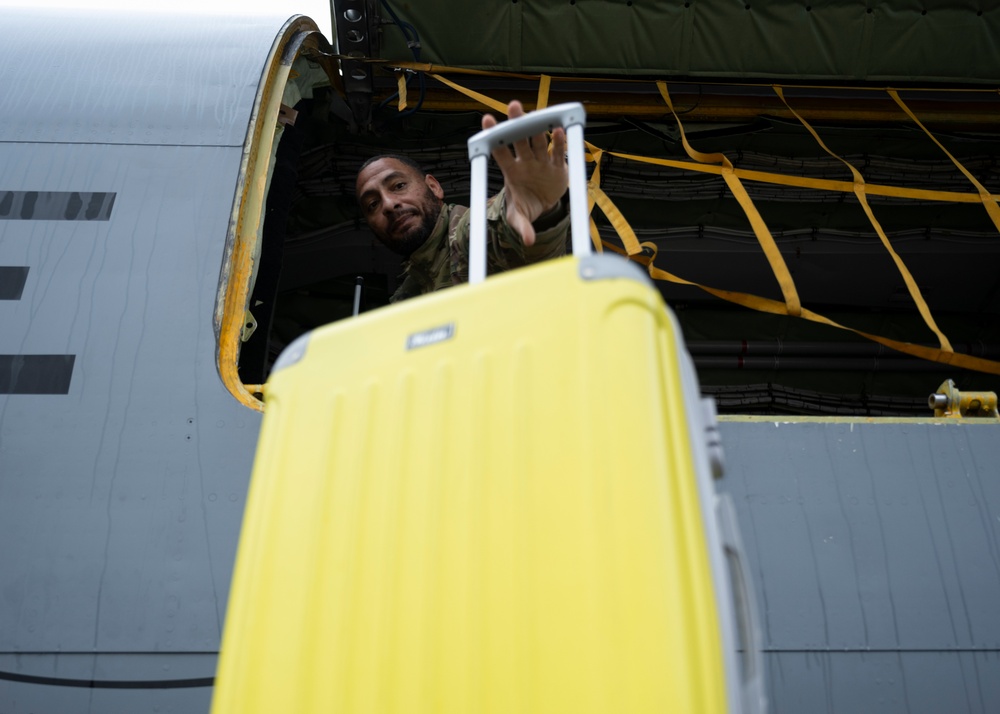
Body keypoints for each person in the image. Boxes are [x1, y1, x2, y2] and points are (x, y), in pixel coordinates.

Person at [355, 100, 571, 302]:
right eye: (373, 204)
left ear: (434, 187)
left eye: (399, 186)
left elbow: (498, 231)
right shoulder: (406, 297)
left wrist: (538, 214)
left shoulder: (468, 235)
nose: (389, 205)